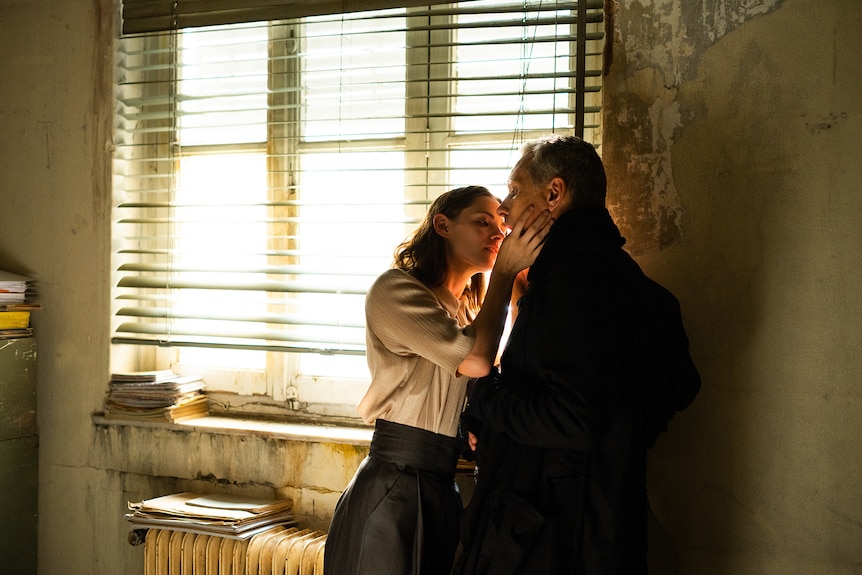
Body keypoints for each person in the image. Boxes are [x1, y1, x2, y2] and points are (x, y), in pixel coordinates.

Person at [453, 135, 701, 575]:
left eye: (514, 189)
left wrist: (485, 396)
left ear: (554, 194)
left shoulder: (576, 284)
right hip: (589, 522)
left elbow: (573, 418)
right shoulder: (608, 275)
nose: (504, 209)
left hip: (554, 538)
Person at [324, 185, 551, 575]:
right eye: (482, 222)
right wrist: (504, 273)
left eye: (501, 225)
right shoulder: (395, 290)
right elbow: (476, 360)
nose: (497, 234)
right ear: (442, 225)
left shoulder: (467, 311)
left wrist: (517, 286)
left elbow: (496, 369)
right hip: (394, 484)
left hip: (443, 486)